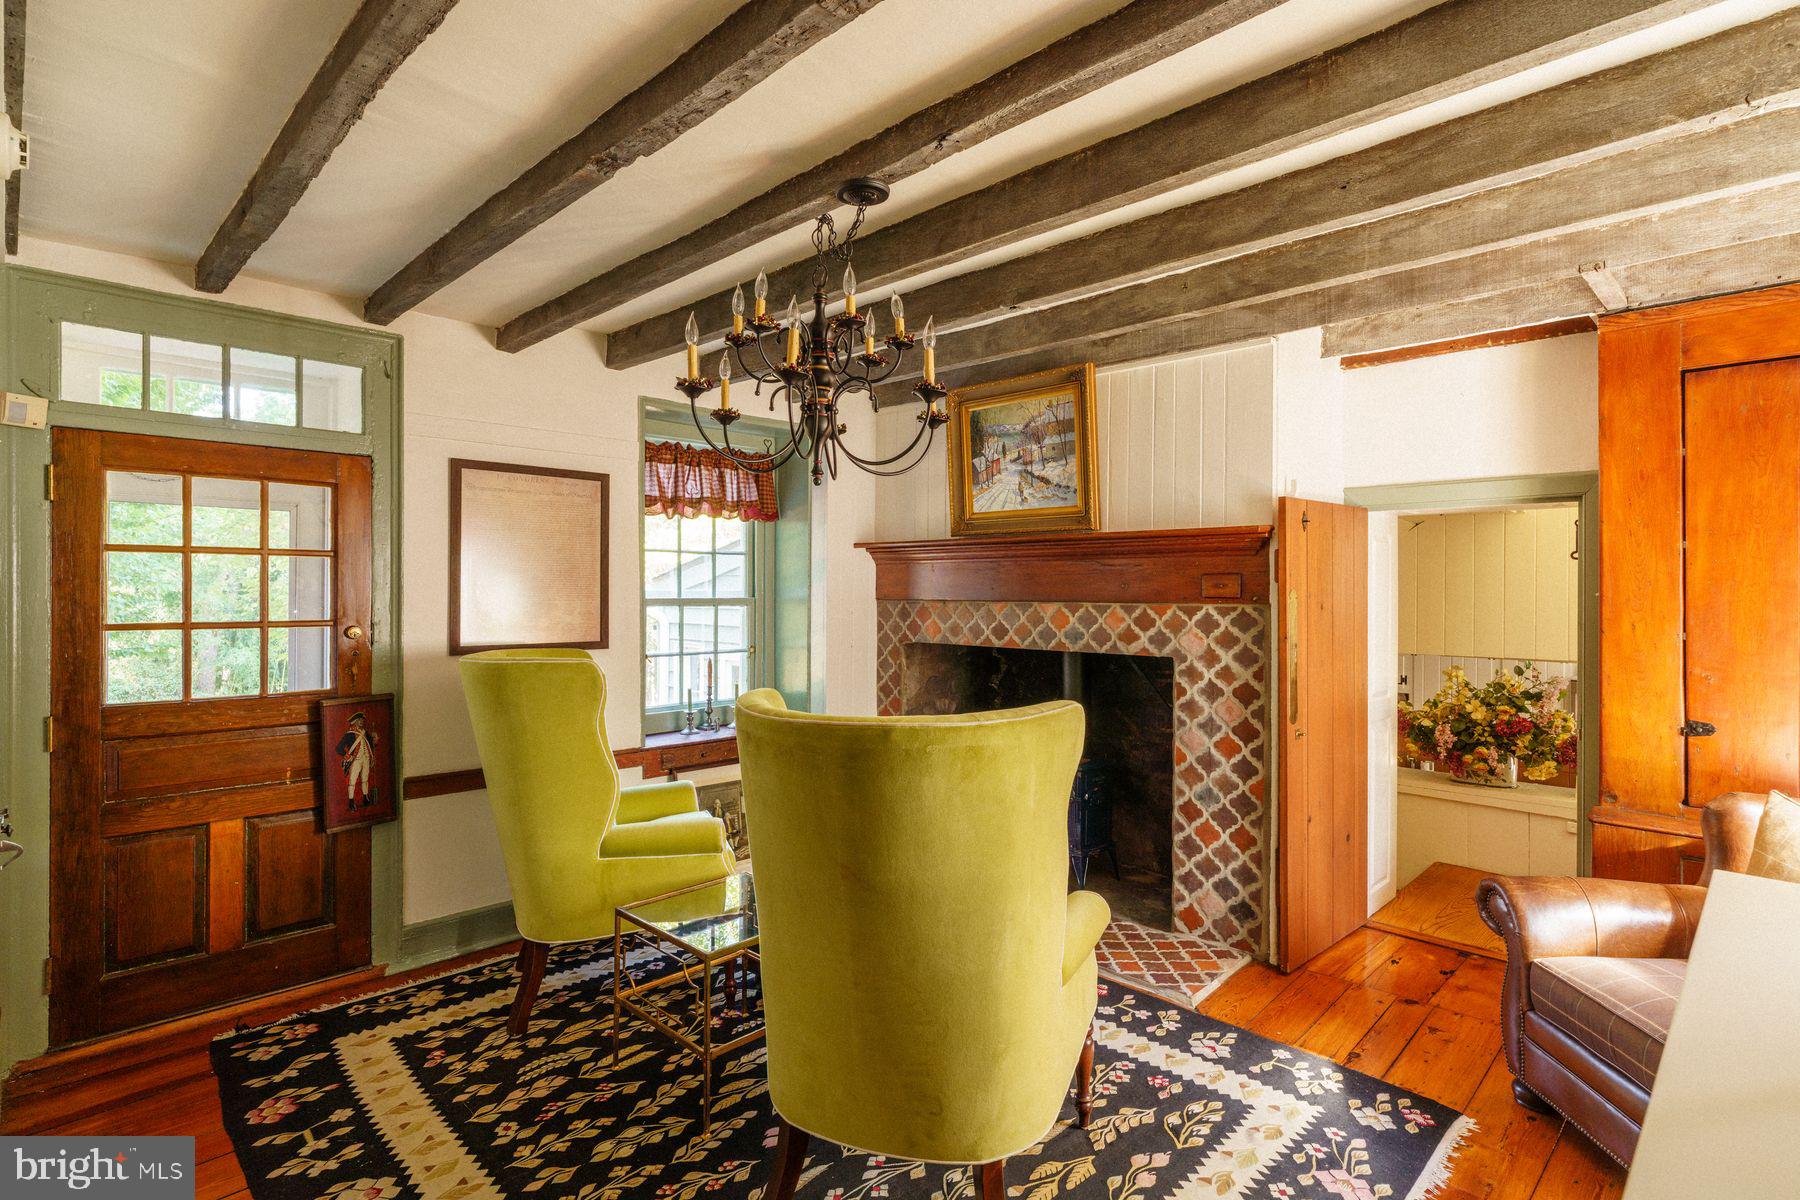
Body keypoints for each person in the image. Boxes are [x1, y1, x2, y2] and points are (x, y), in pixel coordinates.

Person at [336, 712, 378, 811]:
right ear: (355, 722)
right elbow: (339, 748)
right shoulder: (349, 735)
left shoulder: (365, 733)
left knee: (365, 779)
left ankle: (365, 798)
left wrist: (374, 740)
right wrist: (346, 755)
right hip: (356, 760)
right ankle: (351, 801)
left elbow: (371, 746)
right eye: (359, 720)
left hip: (366, 759)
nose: (361, 722)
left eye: (362, 720)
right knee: (352, 781)